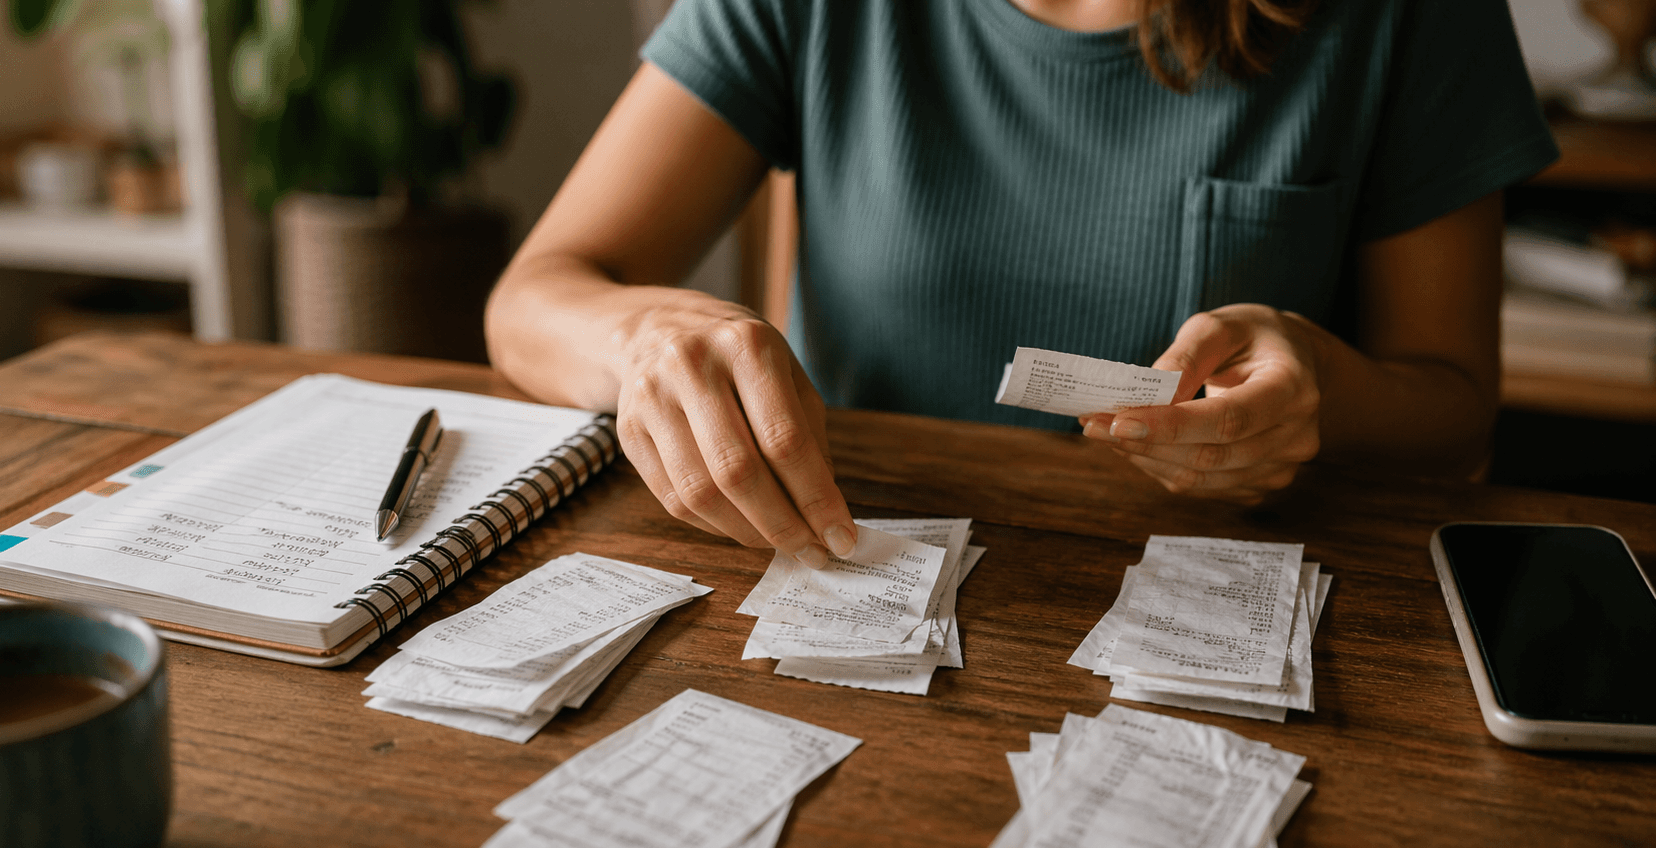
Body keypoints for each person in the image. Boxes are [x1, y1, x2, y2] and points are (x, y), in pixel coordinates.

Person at [485, 0, 1558, 570]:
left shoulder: (1413, 15)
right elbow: (535, 295)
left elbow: (1455, 412)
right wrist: (643, 340)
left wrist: (1323, 388)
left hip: (1232, 622)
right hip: (848, 582)